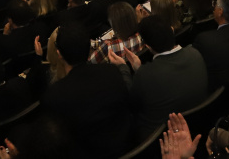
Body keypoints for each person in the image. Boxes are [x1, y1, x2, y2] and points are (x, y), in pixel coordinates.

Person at [40, 22, 132, 159]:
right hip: (128, 149)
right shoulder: (112, 72)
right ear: (89, 47)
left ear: (59, 54)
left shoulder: (53, 96)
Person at [109, 16, 208, 139]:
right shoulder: (195, 53)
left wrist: (123, 68)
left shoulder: (145, 75)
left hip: (160, 140)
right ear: (172, 30)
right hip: (201, 125)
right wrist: (139, 69)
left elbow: (131, 105)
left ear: (148, 46)